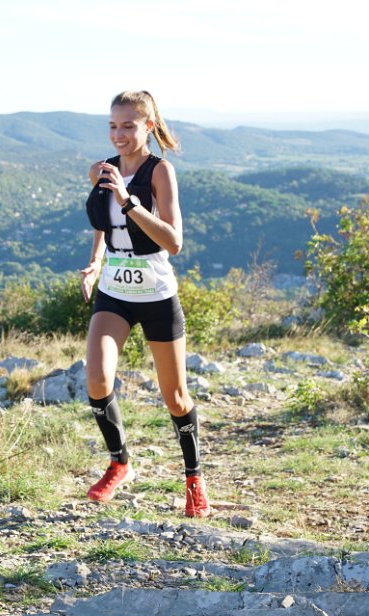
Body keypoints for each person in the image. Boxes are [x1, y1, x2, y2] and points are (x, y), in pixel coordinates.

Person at [80, 90, 209, 517]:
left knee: (176, 398)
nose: (118, 134)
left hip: (156, 293)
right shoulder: (102, 170)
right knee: (97, 379)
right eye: (112, 126)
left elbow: (174, 241)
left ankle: (194, 479)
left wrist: (128, 200)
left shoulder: (160, 171)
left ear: (148, 126)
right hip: (115, 291)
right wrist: (95, 262)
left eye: (128, 126)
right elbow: (104, 224)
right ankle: (120, 464)